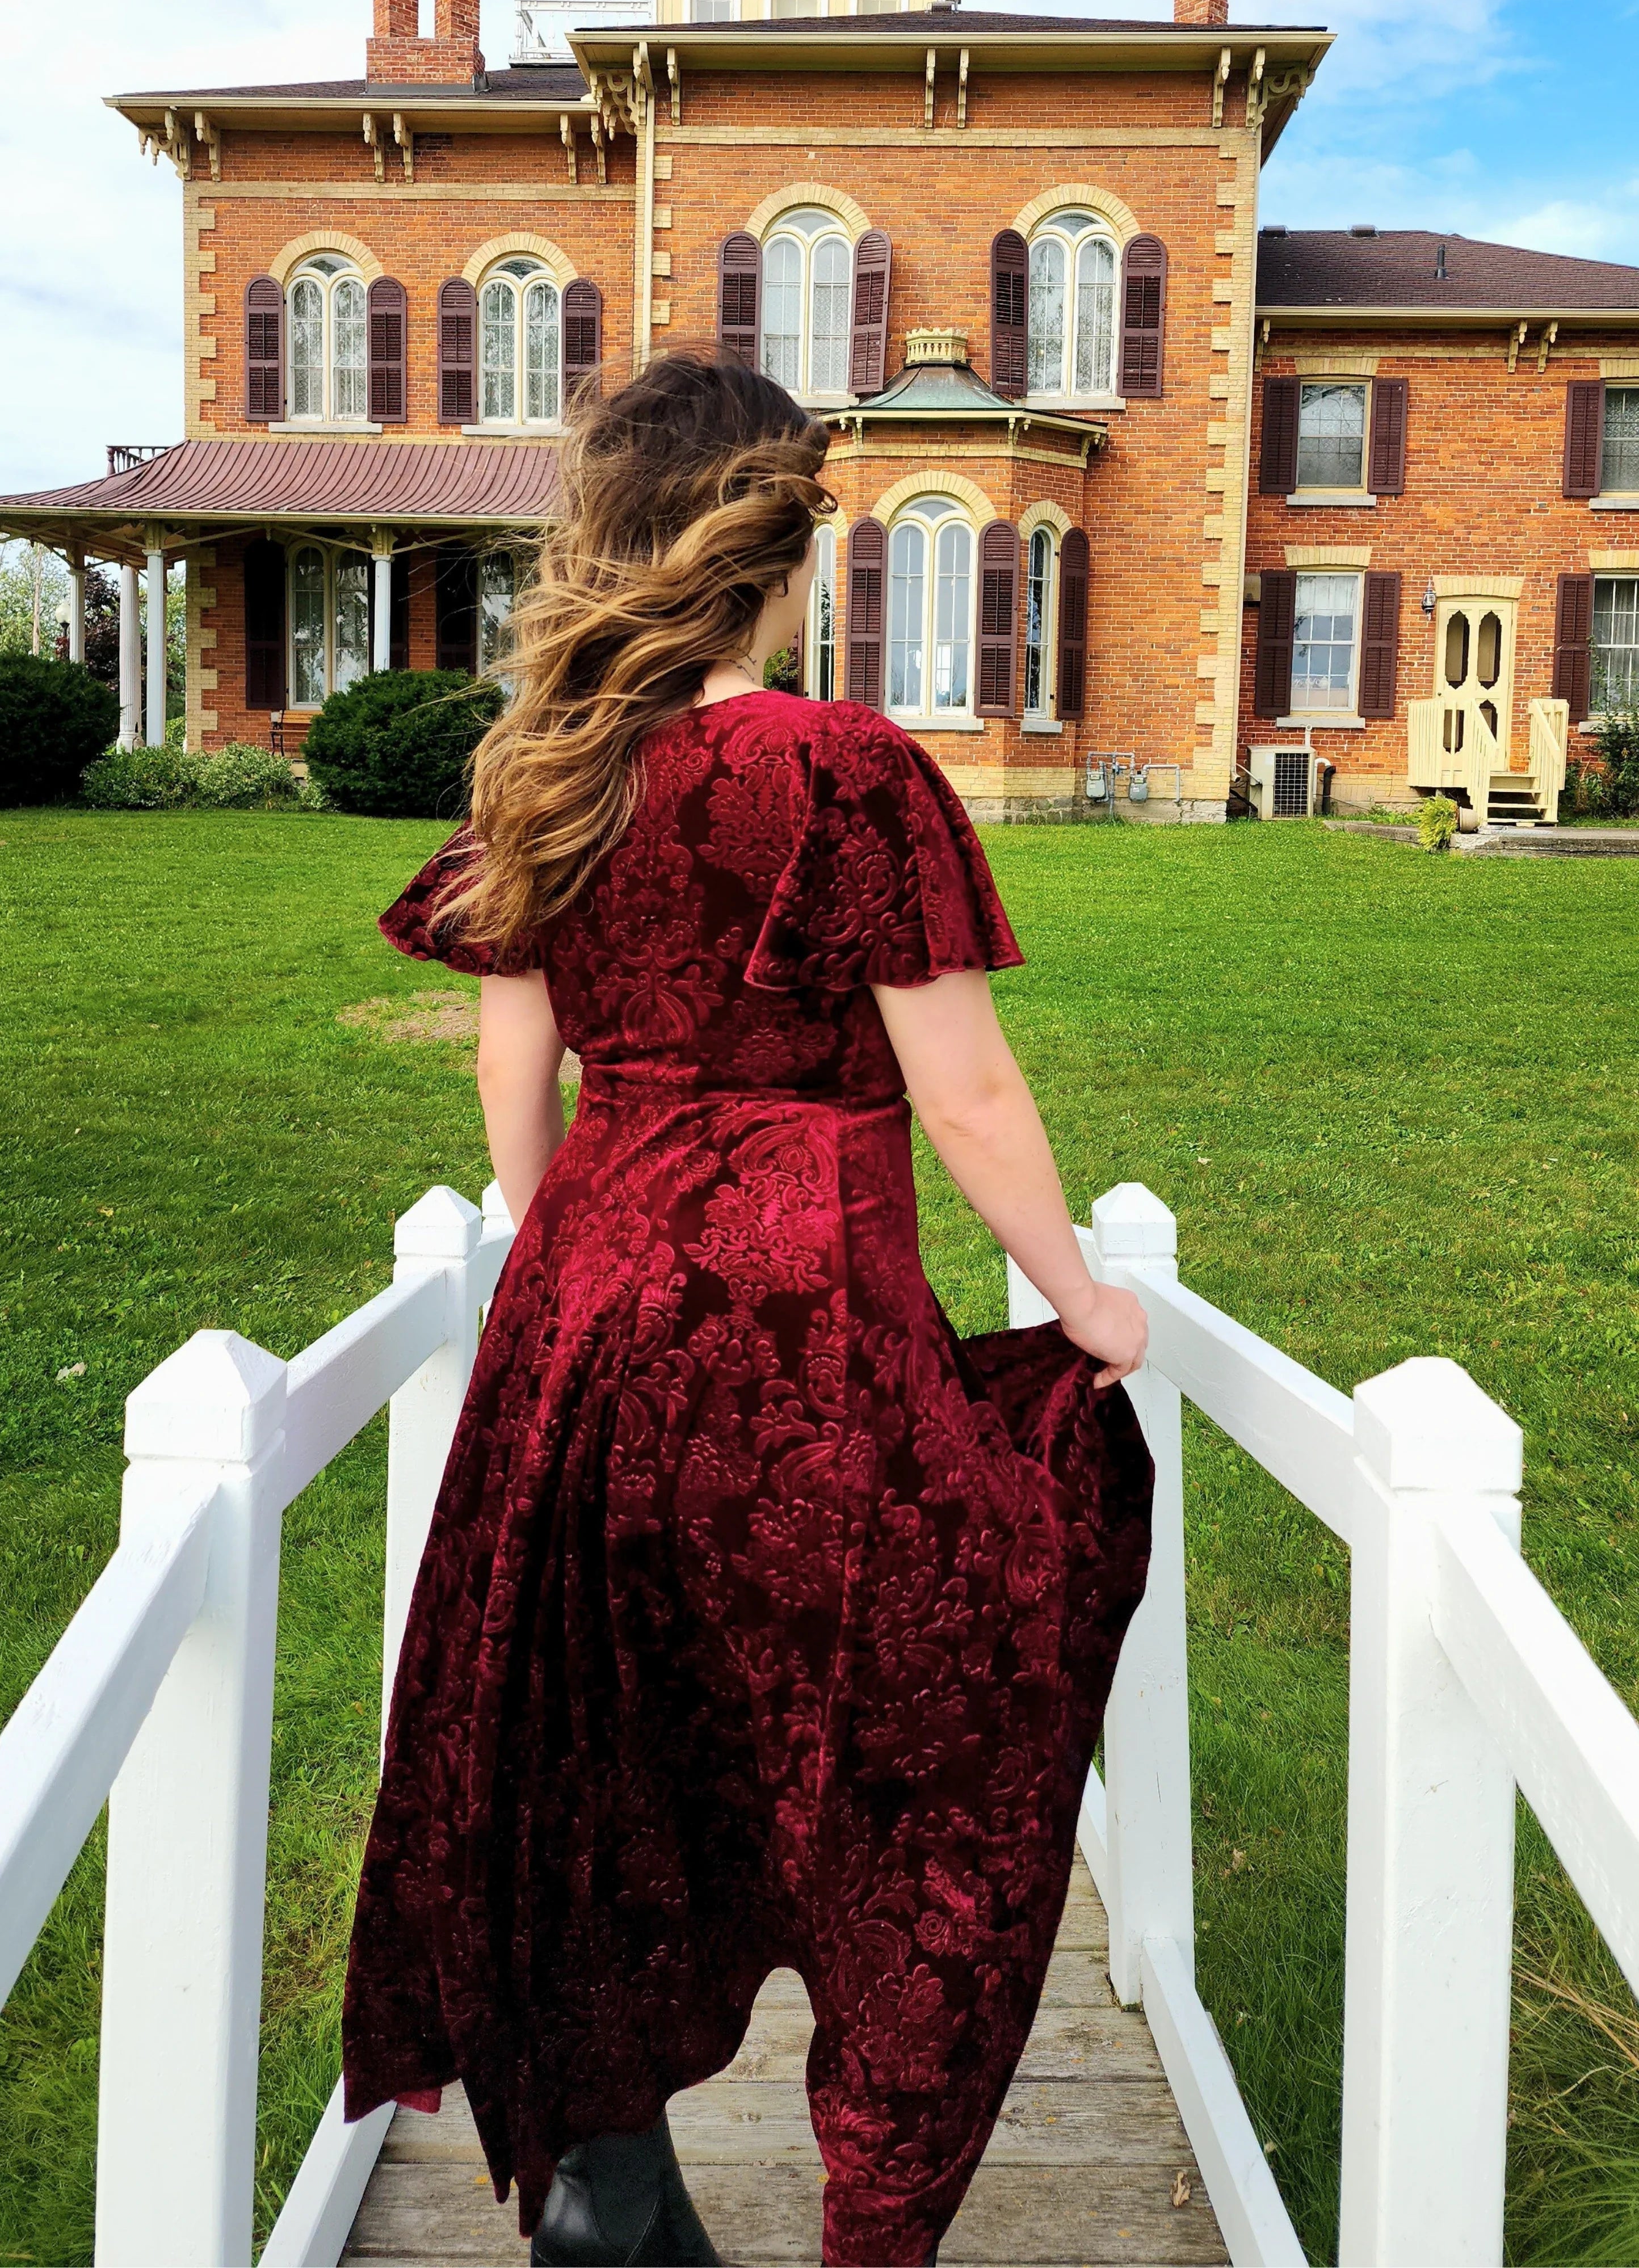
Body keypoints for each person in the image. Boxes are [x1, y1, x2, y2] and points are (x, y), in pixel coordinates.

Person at [342, 350, 1154, 2268]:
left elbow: (506, 1070)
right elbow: (963, 1090)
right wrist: (1085, 1303)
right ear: (783, 548)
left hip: (588, 1307)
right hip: (800, 1321)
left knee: (600, 1729)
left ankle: (607, 2188)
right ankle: (872, 2165)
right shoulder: (841, 769)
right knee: (900, 1734)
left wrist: (570, 1262)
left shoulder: (545, 767)